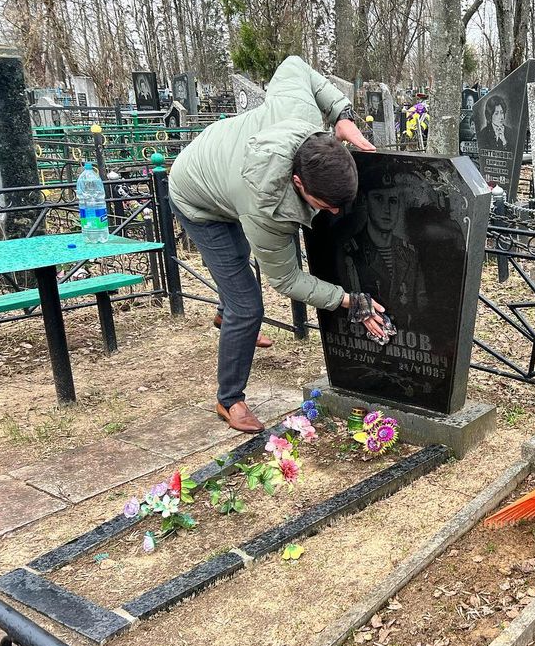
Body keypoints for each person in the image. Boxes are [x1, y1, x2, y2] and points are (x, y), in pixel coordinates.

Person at [169, 56, 386, 433]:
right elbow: (285, 280)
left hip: (225, 164)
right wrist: (348, 300)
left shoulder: (298, 111)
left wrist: (341, 113)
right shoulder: (265, 209)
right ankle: (229, 398)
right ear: (300, 185)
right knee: (247, 304)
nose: (334, 213)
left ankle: (227, 314)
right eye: (326, 206)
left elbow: (294, 65)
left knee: (238, 269)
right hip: (197, 196)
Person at [341, 176, 428, 325]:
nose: (387, 209)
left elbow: (419, 304)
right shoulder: (350, 250)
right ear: (366, 201)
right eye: (378, 198)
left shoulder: (409, 253)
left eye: (393, 201)